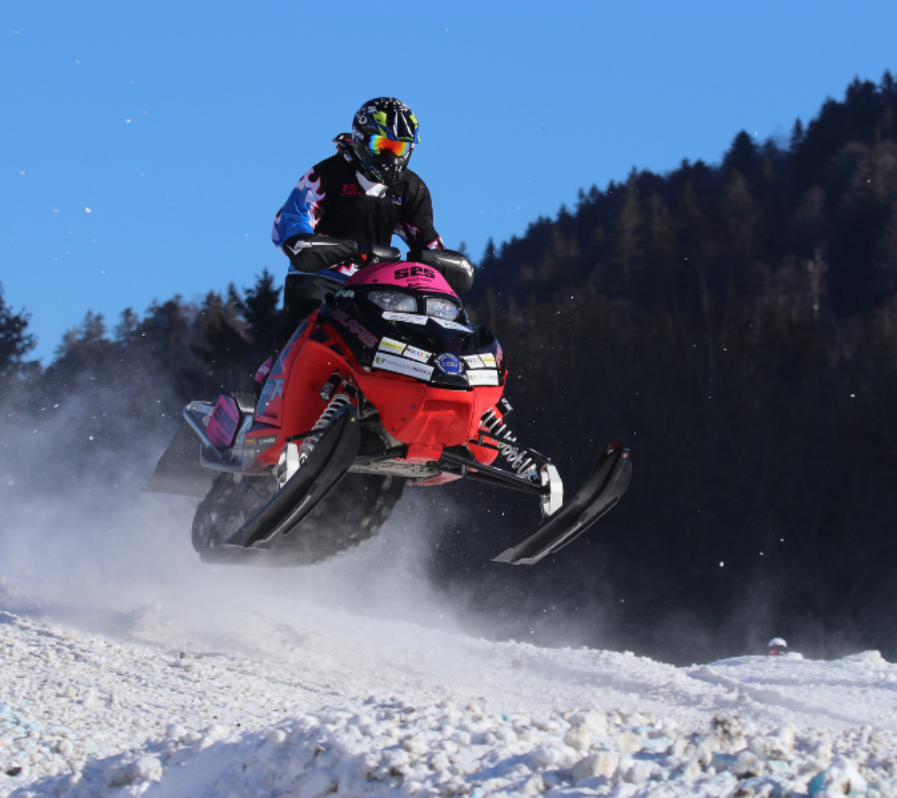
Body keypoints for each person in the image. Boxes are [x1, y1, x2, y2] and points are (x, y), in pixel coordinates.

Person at [271, 97, 449, 336]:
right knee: (307, 327)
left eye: (399, 148)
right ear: (360, 140)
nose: (392, 158)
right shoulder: (324, 175)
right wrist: (304, 243)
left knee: (420, 329)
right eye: (382, 146)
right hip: (319, 276)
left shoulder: (410, 188)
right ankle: (285, 368)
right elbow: (290, 222)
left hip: (376, 283)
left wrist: (442, 264)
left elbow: (426, 239)